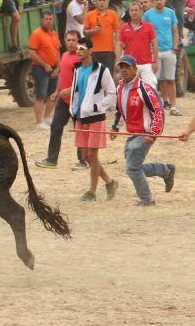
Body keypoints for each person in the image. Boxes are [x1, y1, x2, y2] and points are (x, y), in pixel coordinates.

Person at [110, 55, 175, 206]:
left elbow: (159, 111)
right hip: (132, 133)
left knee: (132, 168)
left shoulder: (144, 88)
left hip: (145, 133)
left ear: (135, 69)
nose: (124, 70)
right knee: (134, 167)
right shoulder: (120, 87)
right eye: (122, 67)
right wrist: (115, 127)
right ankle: (166, 170)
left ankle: (147, 200)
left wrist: (152, 134)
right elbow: (120, 110)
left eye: (127, 67)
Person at [62, 36, 118, 201]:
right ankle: (109, 182)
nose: (78, 51)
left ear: (90, 51)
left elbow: (112, 93)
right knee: (86, 156)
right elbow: (80, 90)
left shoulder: (102, 70)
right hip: (80, 117)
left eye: (81, 48)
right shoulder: (78, 69)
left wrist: (97, 107)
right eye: (77, 48)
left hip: (95, 117)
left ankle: (92, 192)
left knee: (92, 155)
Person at [36, 30, 89, 170]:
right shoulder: (64, 55)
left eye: (74, 40)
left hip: (79, 101)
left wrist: (70, 90)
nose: (71, 43)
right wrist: (56, 92)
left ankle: (84, 161)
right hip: (64, 100)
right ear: (65, 41)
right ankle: (51, 159)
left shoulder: (82, 58)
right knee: (55, 127)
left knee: (80, 131)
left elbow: (84, 81)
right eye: (68, 40)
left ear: (79, 42)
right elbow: (62, 75)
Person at [143, 0, 182, 115]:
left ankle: (174, 106)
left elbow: (175, 30)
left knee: (170, 79)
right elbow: (145, 32)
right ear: (153, 1)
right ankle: (162, 103)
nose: (159, 1)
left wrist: (175, 47)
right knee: (157, 80)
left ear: (165, 0)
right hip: (155, 51)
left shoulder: (170, 13)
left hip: (169, 50)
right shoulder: (148, 15)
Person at [28, 10, 61, 129]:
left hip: (53, 68)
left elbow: (57, 51)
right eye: (46, 19)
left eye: (50, 19)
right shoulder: (36, 34)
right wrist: (45, 65)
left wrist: (58, 67)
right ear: (41, 20)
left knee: (54, 94)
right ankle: (39, 122)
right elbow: (31, 53)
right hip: (40, 68)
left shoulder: (54, 34)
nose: (48, 21)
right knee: (41, 95)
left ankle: (47, 118)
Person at [116, 1, 159, 89]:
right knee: (129, 89)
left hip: (146, 64)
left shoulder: (149, 26)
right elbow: (119, 44)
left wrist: (155, 62)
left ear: (140, 11)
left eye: (136, 10)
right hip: (129, 65)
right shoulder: (124, 27)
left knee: (150, 89)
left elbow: (155, 44)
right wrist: (118, 60)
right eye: (132, 10)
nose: (134, 12)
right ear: (129, 12)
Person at [83, 0, 121, 71]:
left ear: (107, 2)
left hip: (109, 51)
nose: (102, 2)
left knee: (108, 76)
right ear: (96, 2)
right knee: (94, 75)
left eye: (104, 0)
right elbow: (84, 32)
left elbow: (117, 33)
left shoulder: (113, 14)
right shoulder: (89, 15)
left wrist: (117, 51)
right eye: (100, 0)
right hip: (94, 51)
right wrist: (93, 30)